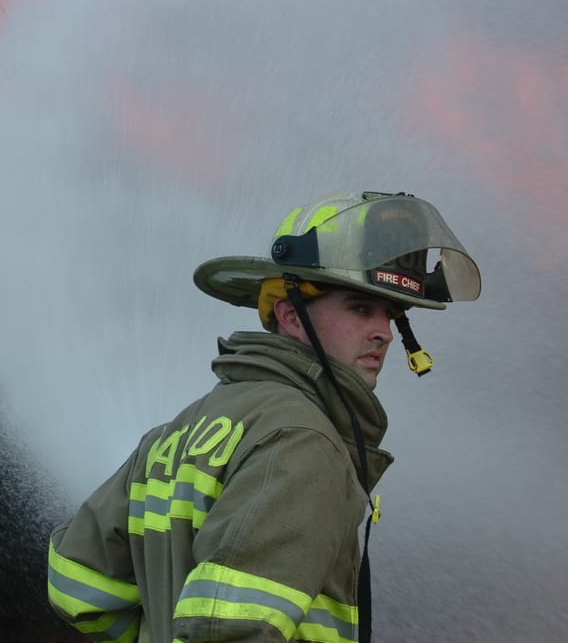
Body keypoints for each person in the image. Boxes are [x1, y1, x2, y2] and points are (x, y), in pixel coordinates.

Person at [46, 191, 481, 642]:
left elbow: (77, 587)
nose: (383, 334)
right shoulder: (301, 441)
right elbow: (230, 631)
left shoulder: (177, 431)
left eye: (390, 315)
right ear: (291, 316)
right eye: (359, 308)